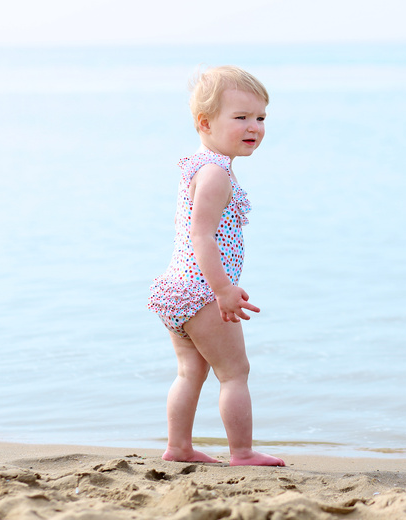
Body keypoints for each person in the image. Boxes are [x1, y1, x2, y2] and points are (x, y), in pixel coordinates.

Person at [147, 66, 285, 467]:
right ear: (204, 123)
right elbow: (201, 237)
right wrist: (223, 289)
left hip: (177, 289)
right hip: (202, 291)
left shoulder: (198, 165)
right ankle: (241, 452)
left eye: (260, 118)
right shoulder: (215, 175)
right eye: (240, 117)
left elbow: (188, 229)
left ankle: (179, 447)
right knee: (235, 372)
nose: (253, 127)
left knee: (191, 373)